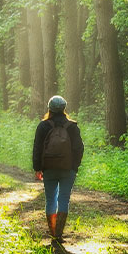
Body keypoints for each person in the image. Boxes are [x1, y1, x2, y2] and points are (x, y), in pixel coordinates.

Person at [32, 95, 84, 245]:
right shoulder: (72, 126)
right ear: (64, 109)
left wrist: (37, 168)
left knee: (50, 200)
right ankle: (59, 234)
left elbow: (37, 148)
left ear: (50, 109)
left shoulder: (43, 126)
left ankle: (53, 234)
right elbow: (79, 148)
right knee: (63, 199)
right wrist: (74, 167)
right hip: (68, 169)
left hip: (48, 168)